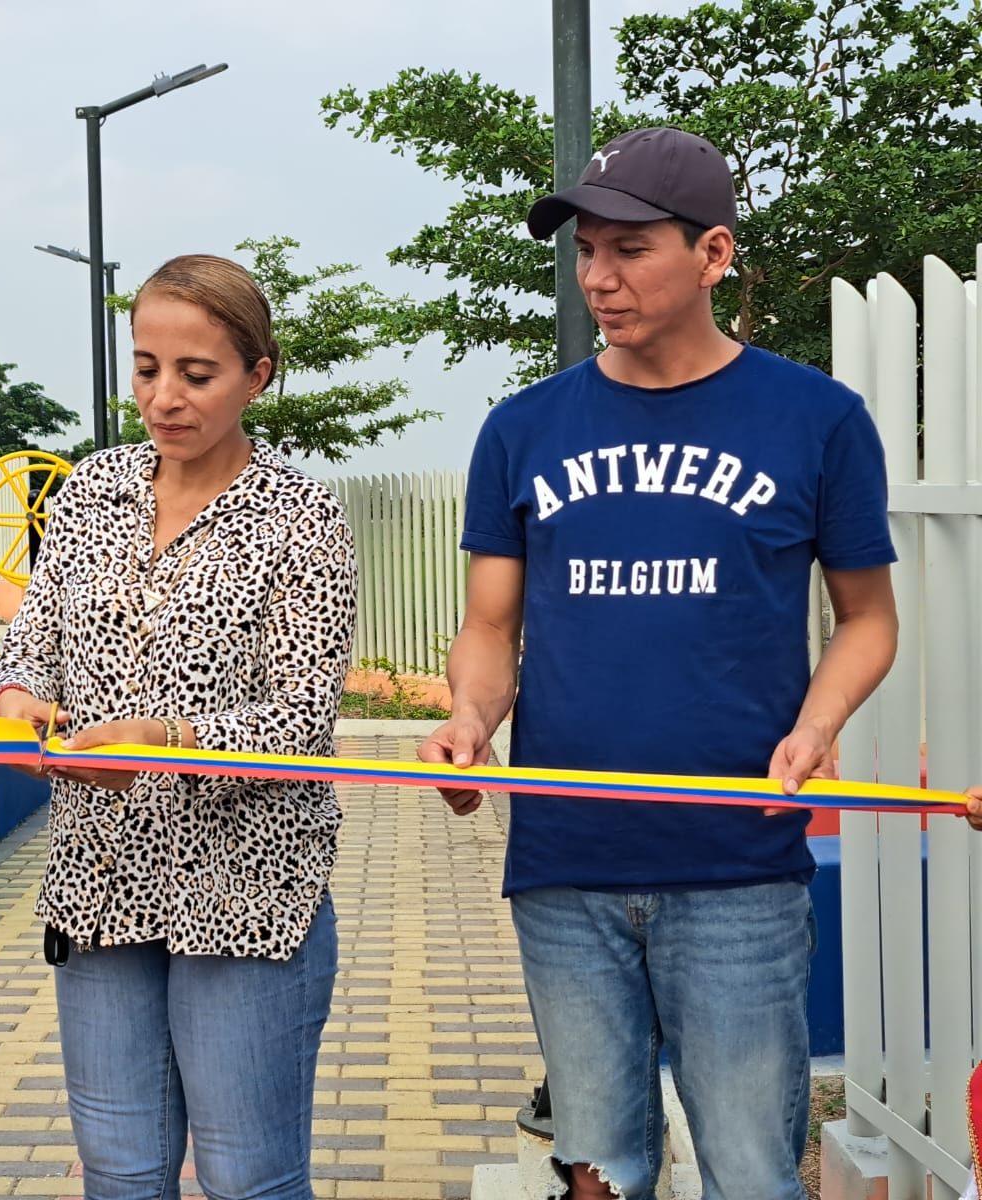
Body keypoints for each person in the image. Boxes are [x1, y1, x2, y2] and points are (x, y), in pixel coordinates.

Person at [418, 128, 898, 1199]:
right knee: (599, 1173)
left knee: (751, 1175)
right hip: (565, 860)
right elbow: (490, 627)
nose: (598, 277)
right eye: (587, 251)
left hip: (738, 864)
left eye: (630, 250)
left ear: (713, 254)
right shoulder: (522, 429)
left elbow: (868, 618)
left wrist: (815, 727)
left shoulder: (817, 420)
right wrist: (471, 718)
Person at [0, 254, 357, 1200]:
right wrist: (19, 705)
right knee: (121, 1172)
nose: (164, 398)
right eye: (147, 368)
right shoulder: (90, 490)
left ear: (257, 376)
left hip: (247, 885)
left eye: (197, 374)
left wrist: (166, 740)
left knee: (246, 1176)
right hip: (100, 876)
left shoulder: (301, 515)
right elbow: (31, 645)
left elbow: (300, 719)